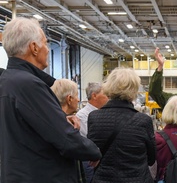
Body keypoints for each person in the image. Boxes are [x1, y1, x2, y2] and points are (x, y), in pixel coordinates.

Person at [0, 17, 101, 182]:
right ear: (34, 47)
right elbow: (65, 139)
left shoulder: (8, 80)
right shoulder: (28, 84)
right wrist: (93, 151)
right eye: (45, 43)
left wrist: (59, 118)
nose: (47, 49)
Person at [87, 67, 156, 183]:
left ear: (108, 86)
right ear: (134, 89)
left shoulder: (94, 117)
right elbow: (151, 159)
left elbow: (92, 156)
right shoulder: (144, 121)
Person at [51, 78, 86, 183]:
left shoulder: (50, 121)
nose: (78, 100)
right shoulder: (64, 125)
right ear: (69, 99)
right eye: (77, 96)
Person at [76, 82, 109, 183]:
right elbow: (91, 139)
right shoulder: (82, 115)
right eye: (105, 94)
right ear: (94, 95)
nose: (108, 97)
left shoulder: (105, 113)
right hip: (89, 161)